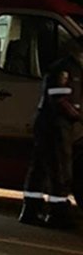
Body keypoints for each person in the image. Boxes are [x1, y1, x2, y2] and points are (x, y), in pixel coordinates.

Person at [19, 37, 83, 228]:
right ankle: (58, 214)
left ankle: (31, 209)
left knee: (41, 167)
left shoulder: (73, 68)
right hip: (56, 123)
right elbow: (60, 98)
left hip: (52, 123)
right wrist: (79, 116)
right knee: (60, 168)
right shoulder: (66, 69)